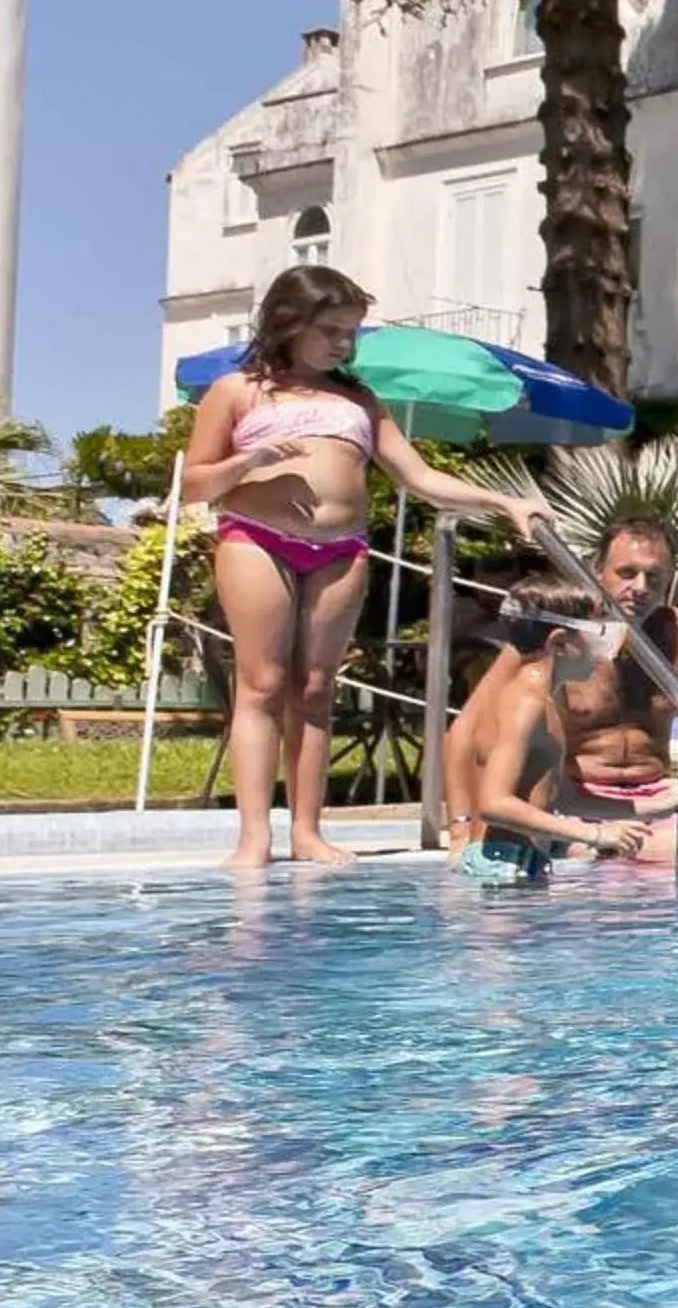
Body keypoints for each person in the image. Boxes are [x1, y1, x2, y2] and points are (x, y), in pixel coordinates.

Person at [184, 265, 548, 870]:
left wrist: (502, 501)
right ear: (287, 323)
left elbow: (419, 477)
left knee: (317, 688)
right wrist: (248, 461)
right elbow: (195, 485)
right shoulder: (238, 391)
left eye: (351, 333)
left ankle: (308, 831)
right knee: (264, 683)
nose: (343, 344)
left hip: (341, 548)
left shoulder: (358, 399)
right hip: (257, 537)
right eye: (330, 330)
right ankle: (253, 838)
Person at [444, 518, 678, 857]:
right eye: (627, 573)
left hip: (649, 796)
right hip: (574, 799)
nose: (640, 587)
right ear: (598, 573)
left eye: (653, 577)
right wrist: (460, 829)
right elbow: (466, 729)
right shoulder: (555, 641)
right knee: (583, 859)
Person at [459, 575, 678, 884]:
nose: (605, 645)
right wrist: (593, 834)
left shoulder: (546, 699)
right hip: (500, 868)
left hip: (519, 864)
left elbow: (559, 797)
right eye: (596, 632)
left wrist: (649, 807)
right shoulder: (526, 704)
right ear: (559, 643)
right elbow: (493, 803)